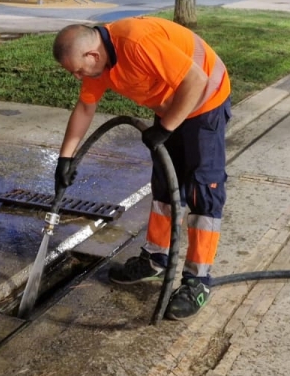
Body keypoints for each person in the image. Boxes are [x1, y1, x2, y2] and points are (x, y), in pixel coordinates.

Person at [52, 17, 231, 320]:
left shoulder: (135, 42)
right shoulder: (99, 65)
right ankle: (156, 260)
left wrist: (166, 128)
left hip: (205, 102)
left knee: (203, 191)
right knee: (164, 186)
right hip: (173, 107)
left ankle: (197, 281)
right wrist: (65, 159)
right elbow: (85, 107)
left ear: (92, 55)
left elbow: (196, 80)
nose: (78, 76)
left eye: (78, 70)